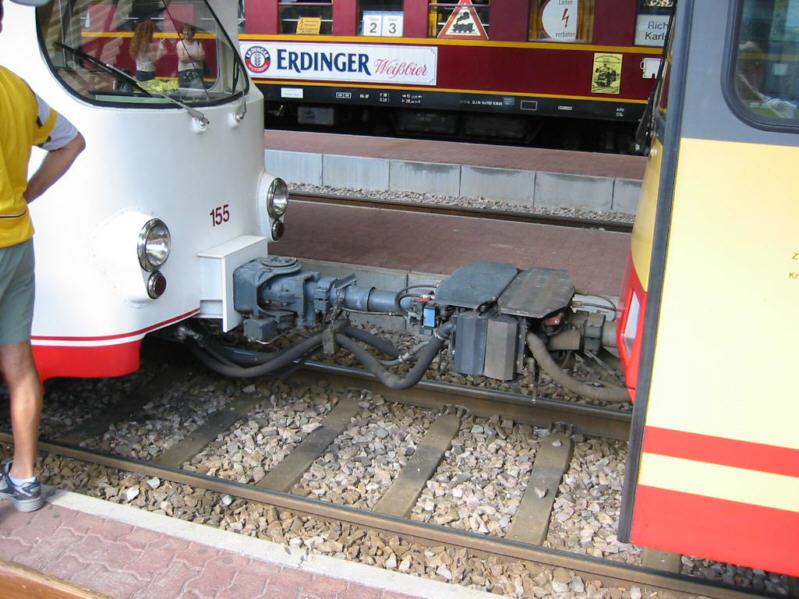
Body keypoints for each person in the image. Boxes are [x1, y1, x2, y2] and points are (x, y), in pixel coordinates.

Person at [0, 0, 86, 512]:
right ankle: (26, 477)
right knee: (18, 364)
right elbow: (71, 143)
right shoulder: (16, 90)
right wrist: (25, 195)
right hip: (15, 242)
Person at [176, 22, 205, 89]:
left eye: (189, 30)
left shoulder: (198, 42)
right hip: (184, 72)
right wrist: (197, 56)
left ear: (192, 32)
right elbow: (182, 59)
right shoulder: (180, 44)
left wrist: (189, 55)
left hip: (198, 71)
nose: (186, 32)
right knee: (185, 93)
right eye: (185, 30)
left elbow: (202, 57)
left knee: (198, 93)